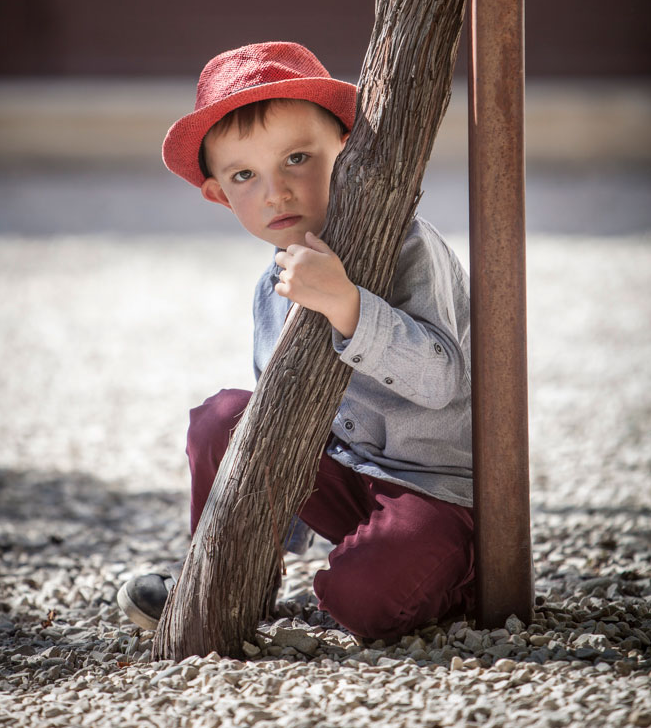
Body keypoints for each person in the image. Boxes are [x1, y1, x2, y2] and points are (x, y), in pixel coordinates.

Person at [117, 40, 474, 641]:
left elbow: (443, 380)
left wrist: (348, 305)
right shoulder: (273, 286)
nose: (276, 192)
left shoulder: (408, 248)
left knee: (356, 599)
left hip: (435, 492)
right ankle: (230, 576)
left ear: (348, 149)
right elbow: (279, 425)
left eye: (298, 159)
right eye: (244, 175)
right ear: (219, 194)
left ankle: (458, 578)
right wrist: (268, 533)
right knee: (223, 418)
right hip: (346, 478)